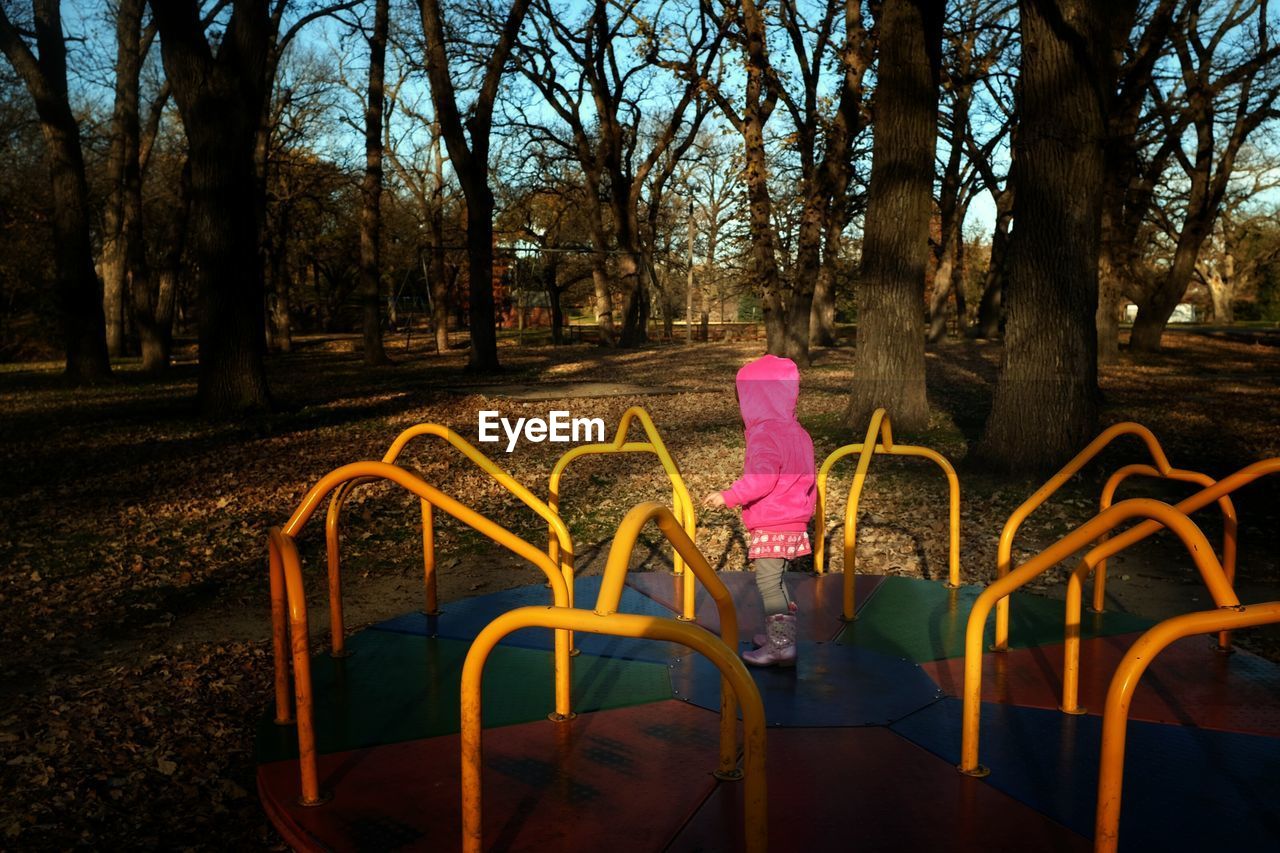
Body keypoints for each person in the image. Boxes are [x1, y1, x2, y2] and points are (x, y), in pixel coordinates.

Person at [702, 354, 816, 667]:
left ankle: (780, 647)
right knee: (778, 582)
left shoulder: (765, 434)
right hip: (793, 521)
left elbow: (761, 481)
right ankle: (780, 636)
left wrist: (729, 496)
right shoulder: (798, 433)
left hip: (773, 521)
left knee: (768, 584)